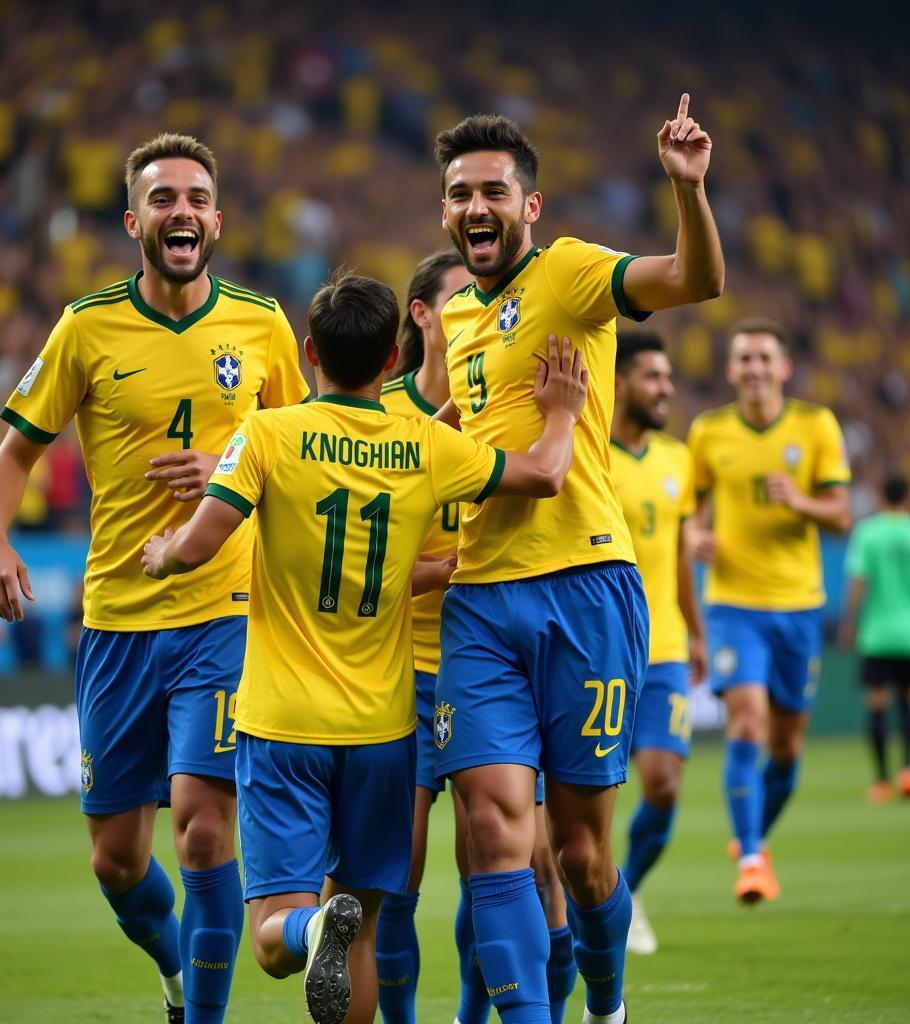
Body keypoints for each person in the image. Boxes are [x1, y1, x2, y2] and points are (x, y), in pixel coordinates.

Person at [140, 271, 589, 1024]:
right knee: (368, 927)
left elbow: (198, 544)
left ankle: (310, 925)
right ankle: (334, 927)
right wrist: (563, 413)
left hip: (283, 724)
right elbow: (544, 473)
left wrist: (163, 554)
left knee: (276, 939)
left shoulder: (269, 434)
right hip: (383, 731)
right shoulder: (424, 444)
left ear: (310, 351)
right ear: (392, 362)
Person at [0, 133, 310, 1024]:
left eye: (197, 198)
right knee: (116, 862)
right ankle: (171, 978)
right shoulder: (86, 327)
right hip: (120, 624)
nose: (183, 213)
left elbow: (314, 458)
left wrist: (234, 467)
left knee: (204, 827)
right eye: (164, 200)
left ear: (218, 218)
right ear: (134, 221)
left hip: (226, 614)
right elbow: (13, 454)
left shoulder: (263, 323)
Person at [431, 94, 724, 1024]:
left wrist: (689, 190)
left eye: (493, 192)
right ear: (445, 212)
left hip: (586, 589)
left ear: (530, 207)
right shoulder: (460, 320)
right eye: (458, 194)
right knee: (489, 832)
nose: (475, 208)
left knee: (583, 855)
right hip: (480, 598)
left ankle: (606, 1006)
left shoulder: (570, 273)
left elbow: (694, 280)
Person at [374, 252, 576, 1024]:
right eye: (463, 300)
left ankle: (478, 1014)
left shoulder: (511, 404)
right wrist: (444, 570)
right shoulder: (383, 414)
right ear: (424, 316)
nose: (484, 314)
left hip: (490, 663)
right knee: (401, 873)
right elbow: (365, 563)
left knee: (512, 858)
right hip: (399, 677)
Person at [688, 318, 851, 904]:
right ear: (731, 371)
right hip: (734, 604)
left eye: (764, 359)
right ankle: (753, 858)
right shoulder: (708, 433)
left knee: (786, 751)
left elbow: (840, 515)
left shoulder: (815, 426)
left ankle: (753, 834)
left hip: (800, 607)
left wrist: (799, 499)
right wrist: (695, 537)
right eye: (744, 360)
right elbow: (694, 509)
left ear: (783, 368)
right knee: (748, 725)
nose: (755, 369)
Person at [609, 332, 705, 955]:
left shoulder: (678, 459)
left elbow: (679, 556)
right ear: (620, 383)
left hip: (665, 643)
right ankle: (593, 903)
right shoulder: (591, 454)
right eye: (652, 377)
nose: (666, 388)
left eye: (668, 377)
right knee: (591, 794)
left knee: (664, 782)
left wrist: (698, 631)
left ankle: (630, 888)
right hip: (603, 645)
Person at [841, 473, 910, 802]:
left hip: (879, 635)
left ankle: (882, 781)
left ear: (881, 496)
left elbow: (858, 582)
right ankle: (909, 770)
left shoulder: (868, 533)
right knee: (908, 707)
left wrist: (849, 621)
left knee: (878, 708)